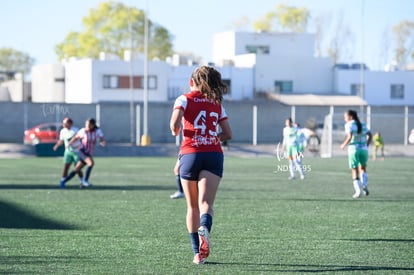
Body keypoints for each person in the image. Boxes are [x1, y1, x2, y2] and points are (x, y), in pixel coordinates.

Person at [169, 66, 232, 265]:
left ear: (191, 82)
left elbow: (175, 124)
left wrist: (176, 129)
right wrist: (212, 137)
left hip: (191, 154)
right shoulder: (217, 103)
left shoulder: (183, 99)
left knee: (192, 207)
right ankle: (205, 227)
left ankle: (198, 253)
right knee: (206, 205)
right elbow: (228, 134)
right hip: (213, 154)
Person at [61, 118, 106, 188]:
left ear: (93, 125)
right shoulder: (83, 131)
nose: (86, 125)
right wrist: (69, 144)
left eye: (88, 124)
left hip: (89, 153)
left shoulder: (97, 131)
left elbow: (101, 137)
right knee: (91, 163)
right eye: (86, 124)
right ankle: (85, 181)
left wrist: (102, 141)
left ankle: (64, 181)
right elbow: (75, 138)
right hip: (83, 151)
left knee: (77, 169)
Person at [340, 110, 372, 198]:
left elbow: (349, 136)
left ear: (350, 117)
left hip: (354, 149)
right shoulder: (363, 124)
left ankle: (358, 191)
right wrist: (366, 145)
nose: (344, 119)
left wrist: (343, 145)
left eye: (345, 117)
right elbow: (370, 135)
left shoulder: (349, 125)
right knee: (363, 168)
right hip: (364, 149)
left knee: (354, 170)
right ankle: (364, 186)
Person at [53, 117, 83, 188]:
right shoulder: (62, 131)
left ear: (70, 124)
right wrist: (57, 145)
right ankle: (63, 181)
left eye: (65, 123)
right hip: (68, 152)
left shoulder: (75, 130)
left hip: (76, 152)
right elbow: (62, 140)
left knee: (77, 168)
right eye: (63, 123)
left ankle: (82, 181)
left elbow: (79, 138)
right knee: (66, 167)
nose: (63, 124)